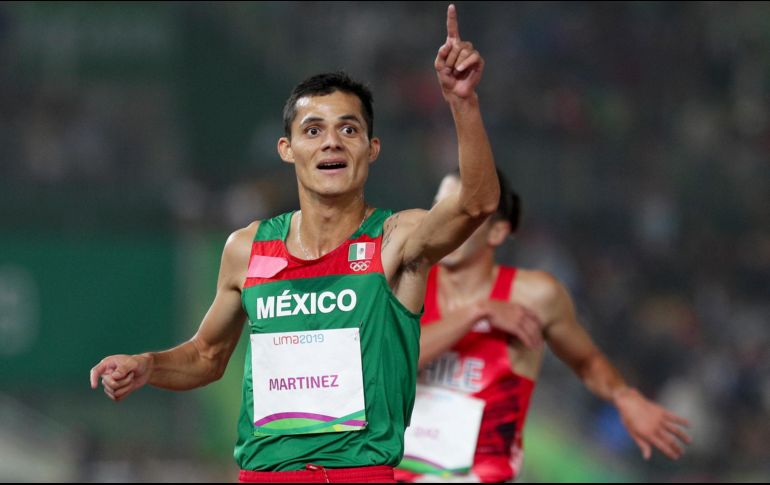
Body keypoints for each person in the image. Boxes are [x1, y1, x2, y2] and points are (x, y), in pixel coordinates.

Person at [90, 5, 500, 483]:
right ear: (287, 149)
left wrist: (463, 102)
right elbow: (207, 356)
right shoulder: (247, 248)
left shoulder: (395, 240)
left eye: (349, 129)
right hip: (266, 476)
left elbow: (475, 204)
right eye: (313, 130)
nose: (331, 143)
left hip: (359, 474)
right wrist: (148, 365)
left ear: (372, 149)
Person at [395, 170, 692, 483]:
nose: (446, 222)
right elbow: (396, 362)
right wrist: (477, 312)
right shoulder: (403, 284)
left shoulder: (535, 296)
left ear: (496, 233)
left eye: (463, 212)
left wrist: (624, 396)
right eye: (439, 208)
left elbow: (586, 360)